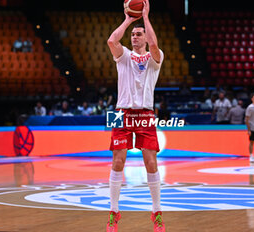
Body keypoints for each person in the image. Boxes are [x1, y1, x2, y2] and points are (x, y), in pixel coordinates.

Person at [106, 0, 165, 231]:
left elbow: (153, 43)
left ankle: (156, 212)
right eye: (133, 34)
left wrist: (146, 18)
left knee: (151, 162)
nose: (135, 37)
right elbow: (112, 40)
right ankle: (113, 211)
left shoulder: (154, 58)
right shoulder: (124, 56)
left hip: (145, 114)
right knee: (117, 161)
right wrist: (129, 19)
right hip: (122, 113)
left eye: (138, 34)